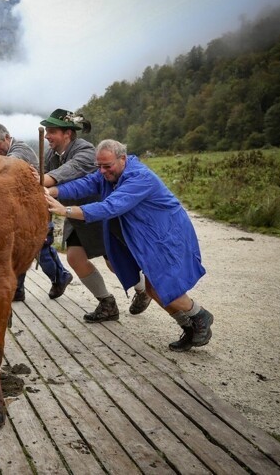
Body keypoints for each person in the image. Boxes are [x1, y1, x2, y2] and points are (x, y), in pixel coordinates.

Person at [44, 139, 214, 351]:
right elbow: (85, 184)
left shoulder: (139, 178)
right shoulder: (108, 173)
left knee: (162, 286)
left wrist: (65, 211)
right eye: (99, 166)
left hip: (166, 234)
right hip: (146, 235)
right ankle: (189, 326)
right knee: (152, 288)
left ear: (122, 159)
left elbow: (110, 207)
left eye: (107, 166)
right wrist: (50, 192)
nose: (103, 171)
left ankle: (200, 317)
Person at [40, 109, 150, 322]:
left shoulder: (86, 151)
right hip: (74, 216)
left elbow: (60, 175)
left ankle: (142, 290)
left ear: (67, 134)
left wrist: (35, 182)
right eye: (46, 131)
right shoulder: (52, 154)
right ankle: (107, 303)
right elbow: (41, 173)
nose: (46, 136)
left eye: (51, 131)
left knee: (114, 261)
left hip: (96, 214)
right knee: (74, 257)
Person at [0, 123, 72, 300]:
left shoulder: (19, 150)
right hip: (24, 208)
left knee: (42, 246)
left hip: (39, 205)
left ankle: (61, 276)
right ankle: (18, 289)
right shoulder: (9, 151)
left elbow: (7, 166)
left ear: (7, 137)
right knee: (20, 247)